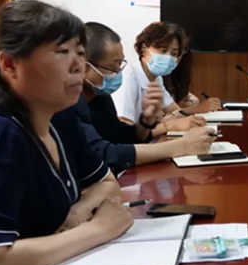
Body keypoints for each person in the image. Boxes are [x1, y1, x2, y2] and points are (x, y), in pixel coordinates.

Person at [0, 0, 133, 265]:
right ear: (9, 64)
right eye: (62, 52)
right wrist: (97, 229)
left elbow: (106, 183)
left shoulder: (60, 116)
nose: (78, 66)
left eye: (80, 52)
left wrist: (76, 214)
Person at [78, 22, 215, 172]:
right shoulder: (70, 104)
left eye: (120, 65)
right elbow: (104, 153)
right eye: (113, 67)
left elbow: (121, 135)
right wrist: (180, 147)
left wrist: (146, 120)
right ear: (84, 67)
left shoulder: (100, 96)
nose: (118, 73)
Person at [112, 22, 207, 134]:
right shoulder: (128, 76)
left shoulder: (156, 78)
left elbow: (175, 110)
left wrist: (185, 118)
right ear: (144, 49)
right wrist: (171, 125)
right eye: (163, 51)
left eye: (174, 54)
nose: (168, 57)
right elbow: (124, 133)